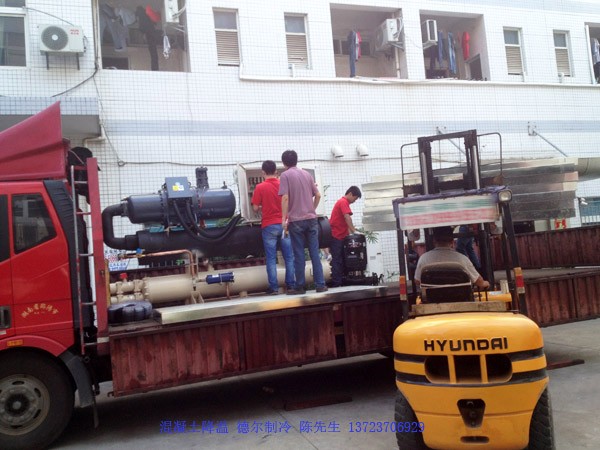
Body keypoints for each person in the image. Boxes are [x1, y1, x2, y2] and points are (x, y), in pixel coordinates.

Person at [279, 150, 327, 294]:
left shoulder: (285, 175)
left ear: (284, 163)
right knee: (314, 252)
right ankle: (320, 285)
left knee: (299, 254)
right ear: (296, 160)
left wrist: (284, 218)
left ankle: (300, 286)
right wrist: (312, 209)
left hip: (296, 221)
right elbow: (318, 195)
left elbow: (285, 198)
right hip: (311, 219)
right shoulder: (306, 174)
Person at [251, 160, 295, 295]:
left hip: (269, 225)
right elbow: (289, 201)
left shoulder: (260, 187)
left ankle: (274, 288)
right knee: (289, 257)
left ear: (263, 172)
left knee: (271, 258)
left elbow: (255, 208)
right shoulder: (283, 184)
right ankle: (291, 286)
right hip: (284, 224)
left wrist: (263, 207)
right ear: (276, 171)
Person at [414, 226, 489, 289]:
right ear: (452, 241)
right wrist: (486, 283)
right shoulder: (462, 259)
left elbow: (417, 281)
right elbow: (479, 282)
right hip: (460, 299)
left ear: (434, 241)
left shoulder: (424, 258)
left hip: (433, 299)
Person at [329, 186, 362, 287]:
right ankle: (337, 283)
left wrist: (351, 233)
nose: (354, 201)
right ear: (350, 194)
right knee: (337, 260)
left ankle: (341, 281)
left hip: (341, 236)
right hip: (336, 236)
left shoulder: (343, 202)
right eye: (355, 198)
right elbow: (347, 217)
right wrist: (354, 231)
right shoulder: (343, 202)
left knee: (342, 259)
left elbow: (345, 222)